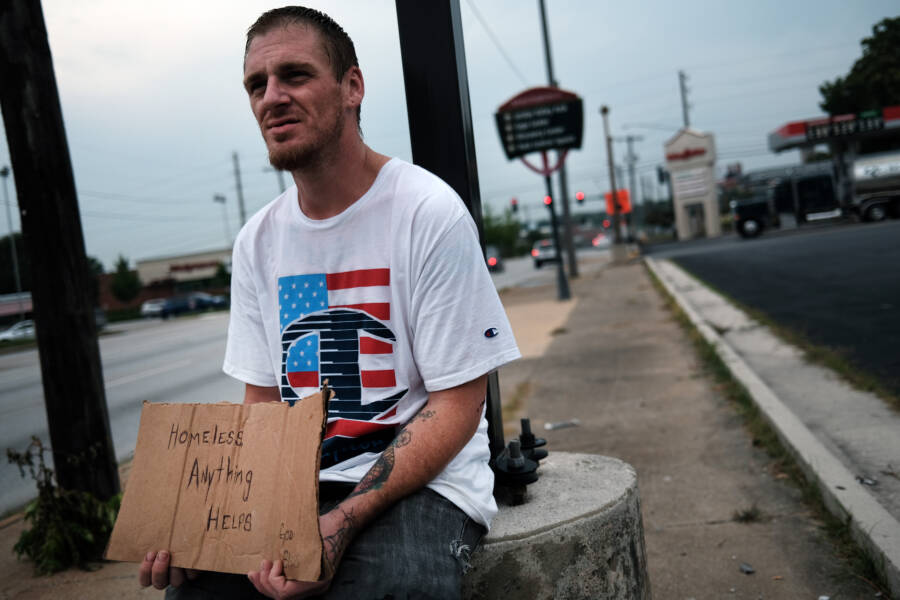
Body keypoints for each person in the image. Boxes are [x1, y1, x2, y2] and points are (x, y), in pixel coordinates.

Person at [138, 6, 519, 599]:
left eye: (295, 74)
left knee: (384, 589)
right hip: (298, 484)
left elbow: (457, 406)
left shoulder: (426, 212)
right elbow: (264, 405)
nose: (272, 97)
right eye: (256, 85)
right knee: (193, 592)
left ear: (352, 87)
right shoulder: (258, 241)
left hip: (423, 486)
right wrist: (204, 524)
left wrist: (338, 525)